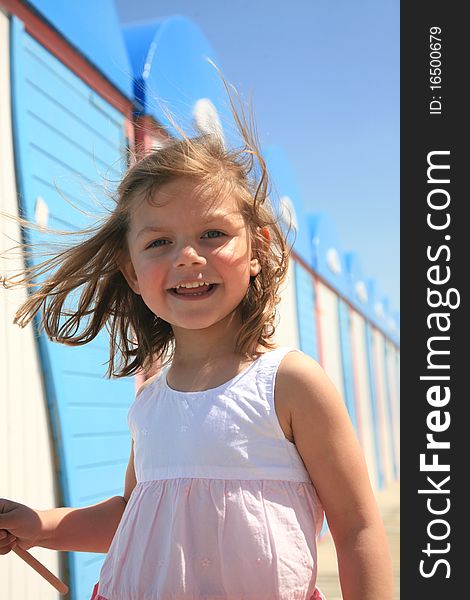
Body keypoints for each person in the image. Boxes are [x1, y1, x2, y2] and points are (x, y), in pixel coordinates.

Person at [0, 96, 393, 599]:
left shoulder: (290, 384)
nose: (188, 257)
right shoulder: (150, 401)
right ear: (131, 273)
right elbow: (136, 514)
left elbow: (358, 528)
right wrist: (39, 526)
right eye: (158, 242)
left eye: (212, 233)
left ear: (259, 249)